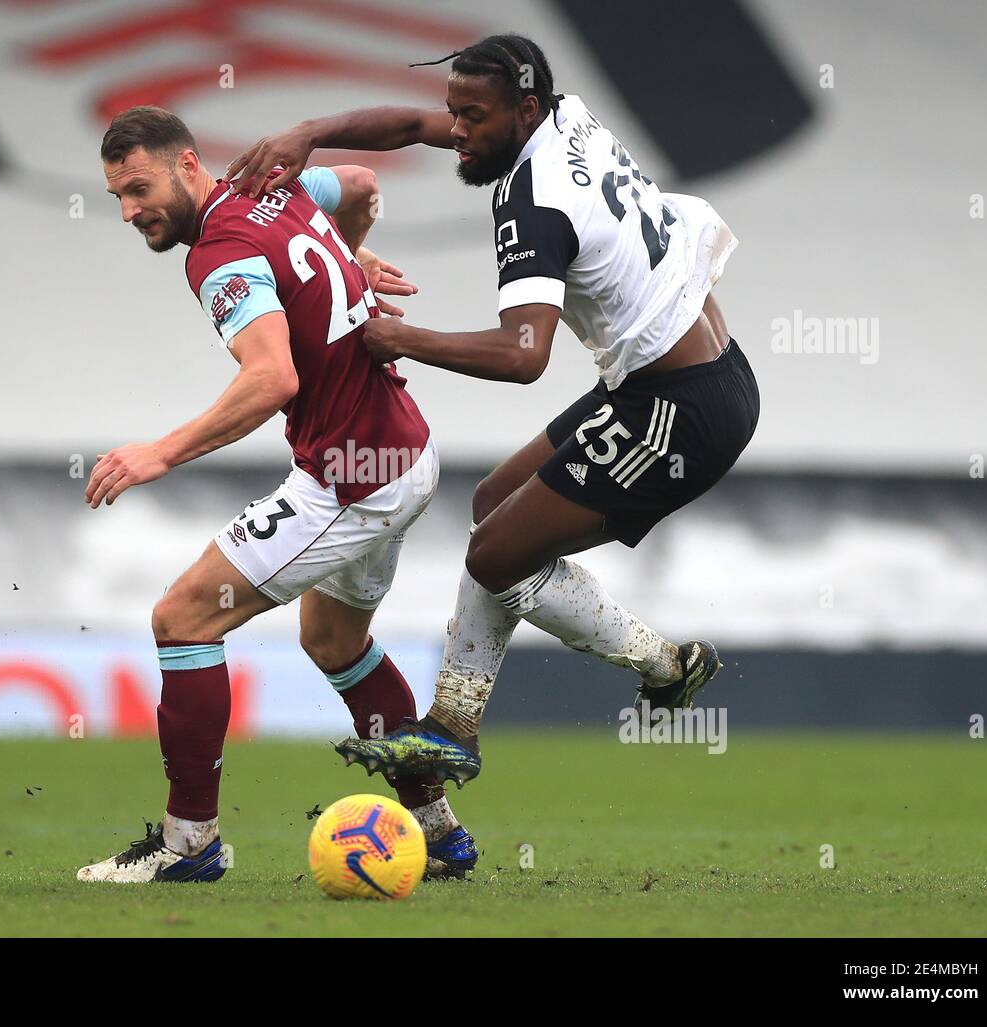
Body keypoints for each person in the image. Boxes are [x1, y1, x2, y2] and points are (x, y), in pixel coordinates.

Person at [227, 34, 760, 786]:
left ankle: (639, 673)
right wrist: (309, 133)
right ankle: (466, 724)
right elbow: (412, 127)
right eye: (457, 113)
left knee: (495, 554)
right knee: (493, 505)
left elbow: (522, 355)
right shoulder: (562, 116)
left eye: (471, 118)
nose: (457, 135)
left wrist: (399, 338)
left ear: (524, 108)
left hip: (682, 407)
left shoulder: (532, 201)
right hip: (681, 374)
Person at [76, 106, 477, 882]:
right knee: (332, 644)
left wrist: (160, 451)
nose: (130, 211)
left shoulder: (218, 254)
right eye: (117, 198)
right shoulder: (275, 184)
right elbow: (359, 183)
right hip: (405, 450)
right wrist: (350, 257)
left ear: (188, 163)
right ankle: (440, 835)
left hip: (352, 479)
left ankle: (188, 843)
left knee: (182, 616)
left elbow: (272, 378)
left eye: (139, 188)